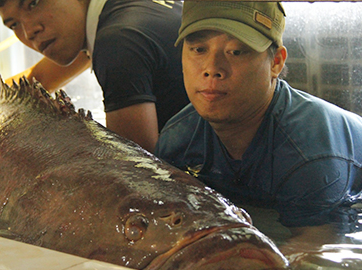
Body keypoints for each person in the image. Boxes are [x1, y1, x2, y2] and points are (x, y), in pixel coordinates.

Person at [155, 1, 362, 250]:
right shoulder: (178, 140)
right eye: (199, 49)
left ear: (276, 62)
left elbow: (313, 252)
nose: (212, 69)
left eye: (236, 52)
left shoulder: (310, 155)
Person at [0, 0, 189, 153]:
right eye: (13, 24)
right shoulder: (118, 13)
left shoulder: (118, 42)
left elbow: (140, 178)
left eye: (34, 3)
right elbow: (39, 78)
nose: (29, 31)